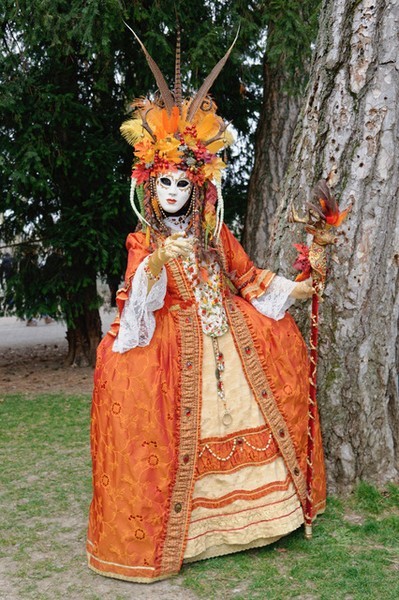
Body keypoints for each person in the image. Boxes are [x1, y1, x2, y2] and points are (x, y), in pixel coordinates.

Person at [87, 29, 326, 583]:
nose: (173, 192)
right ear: (151, 184)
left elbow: (247, 276)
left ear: (198, 186)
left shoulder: (215, 233)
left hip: (231, 341)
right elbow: (136, 306)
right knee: (170, 429)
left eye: (181, 183)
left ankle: (260, 519)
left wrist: (295, 290)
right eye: (164, 182)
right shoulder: (143, 241)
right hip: (174, 348)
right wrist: (154, 264)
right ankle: (190, 536)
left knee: (262, 387)